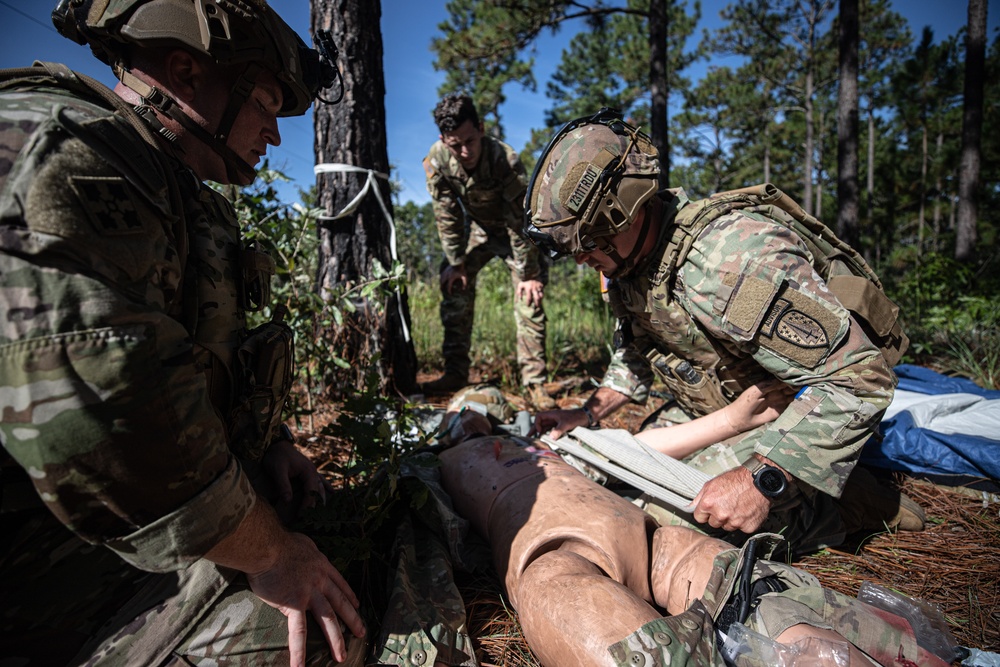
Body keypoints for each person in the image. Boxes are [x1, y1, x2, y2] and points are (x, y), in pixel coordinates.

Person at [0, 1, 364, 664]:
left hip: (129, 544)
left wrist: (272, 442)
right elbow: (107, 425)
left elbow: (197, 356)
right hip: (45, 579)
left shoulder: (176, 190)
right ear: (185, 71)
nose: (274, 135)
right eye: (265, 101)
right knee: (317, 638)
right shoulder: (71, 153)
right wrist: (271, 550)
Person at [526, 109, 924, 556]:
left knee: (656, 529)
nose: (582, 260)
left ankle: (841, 505)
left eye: (588, 243)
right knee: (601, 474)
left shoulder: (728, 260)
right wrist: (588, 412)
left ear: (623, 211)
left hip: (788, 423)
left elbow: (858, 378)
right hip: (719, 414)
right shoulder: (632, 267)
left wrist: (762, 478)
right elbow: (635, 356)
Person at [434, 393, 953, 667]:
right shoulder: (430, 467)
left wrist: (730, 420)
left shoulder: (556, 444)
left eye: (483, 405)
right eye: (463, 407)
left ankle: (839, 649)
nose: (473, 413)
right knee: (555, 589)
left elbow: (635, 449)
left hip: (645, 533)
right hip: (551, 549)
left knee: (746, 590)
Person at [420, 93, 555, 409]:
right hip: (479, 230)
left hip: (517, 231)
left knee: (529, 297)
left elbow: (520, 219)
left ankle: (535, 384)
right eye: (456, 145)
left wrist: (528, 274)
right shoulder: (437, 161)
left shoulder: (504, 160)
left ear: (480, 128)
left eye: (470, 140)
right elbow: (447, 214)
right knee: (453, 284)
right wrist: (456, 263)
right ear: (443, 139)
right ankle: (454, 372)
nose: (465, 151)